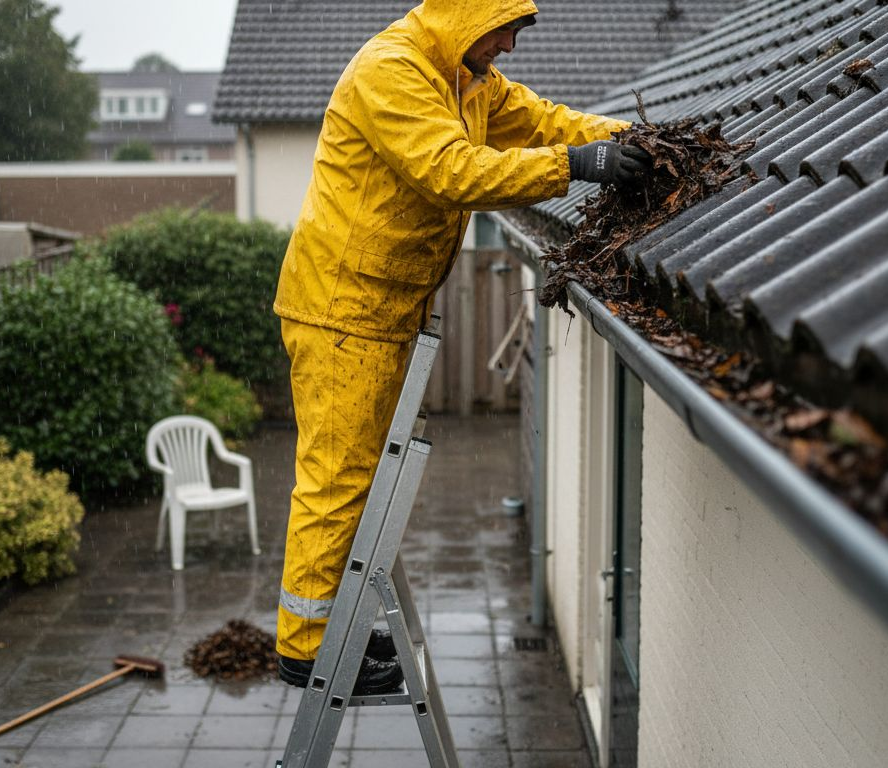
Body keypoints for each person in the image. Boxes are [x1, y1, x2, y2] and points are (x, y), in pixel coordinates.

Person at [273, 0, 652, 694]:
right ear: (466, 14)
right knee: (337, 477)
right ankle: (306, 649)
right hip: (341, 308)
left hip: (381, 305)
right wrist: (577, 166)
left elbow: (545, 122)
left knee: (361, 480)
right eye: (503, 27)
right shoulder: (393, 71)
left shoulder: (468, 77)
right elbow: (453, 172)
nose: (510, 44)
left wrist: (632, 141)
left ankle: (337, 631)